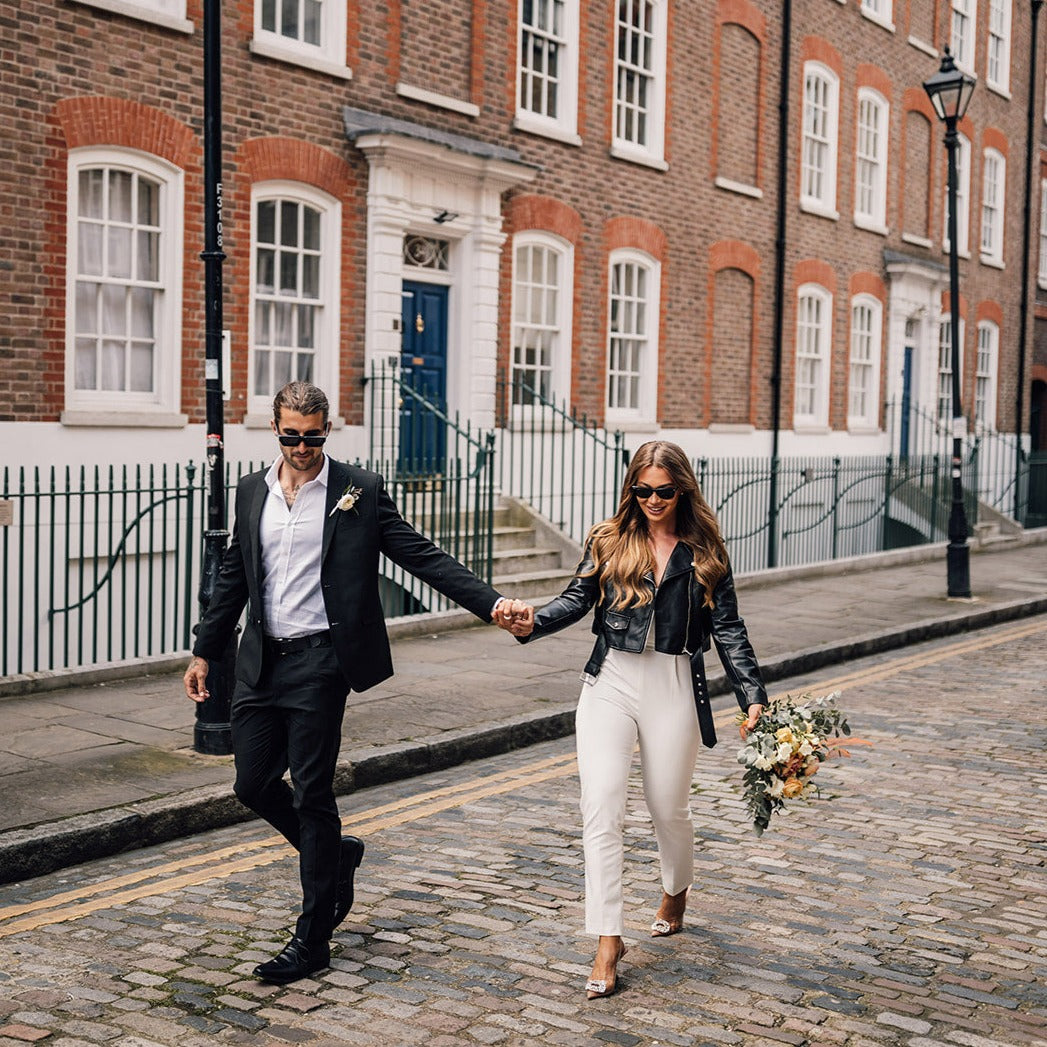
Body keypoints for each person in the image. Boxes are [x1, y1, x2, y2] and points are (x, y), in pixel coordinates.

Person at [184, 381, 515, 985]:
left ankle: (312, 939)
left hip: (319, 662)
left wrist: (491, 605)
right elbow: (235, 572)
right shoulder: (251, 489)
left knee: (312, 794)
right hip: (261, 661)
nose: (303, 447)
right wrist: (207, 651)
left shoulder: (357, 491)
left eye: (313, 436)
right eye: (291, 436)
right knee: (252, 783)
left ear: (327, 430)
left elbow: (422, 555)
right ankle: (339, 855)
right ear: (276, 430)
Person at [502, 440, 766, 999]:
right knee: (600, 807)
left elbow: (730, 629)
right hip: (610, 682)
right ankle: (607, 938)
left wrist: (752, 697)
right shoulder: (609, 539)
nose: (651, 499)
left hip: (673, 683)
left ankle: (676, 888)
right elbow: (575, 601)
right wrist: (531, 623)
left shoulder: (706, 551)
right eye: (641, 490)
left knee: (669, 808)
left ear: (682, 491)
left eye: (663, 491)